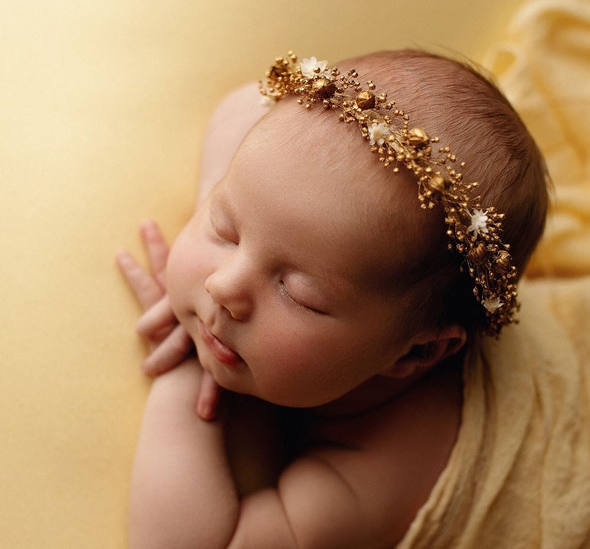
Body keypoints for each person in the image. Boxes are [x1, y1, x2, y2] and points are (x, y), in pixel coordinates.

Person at [117, 49, 549, 548]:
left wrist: (182, 375)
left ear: (415, 353)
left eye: (299, 295)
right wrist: (214, 204)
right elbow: (242, 107)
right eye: (227, 229)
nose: (222, 286)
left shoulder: (383, 467)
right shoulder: (303, 208)